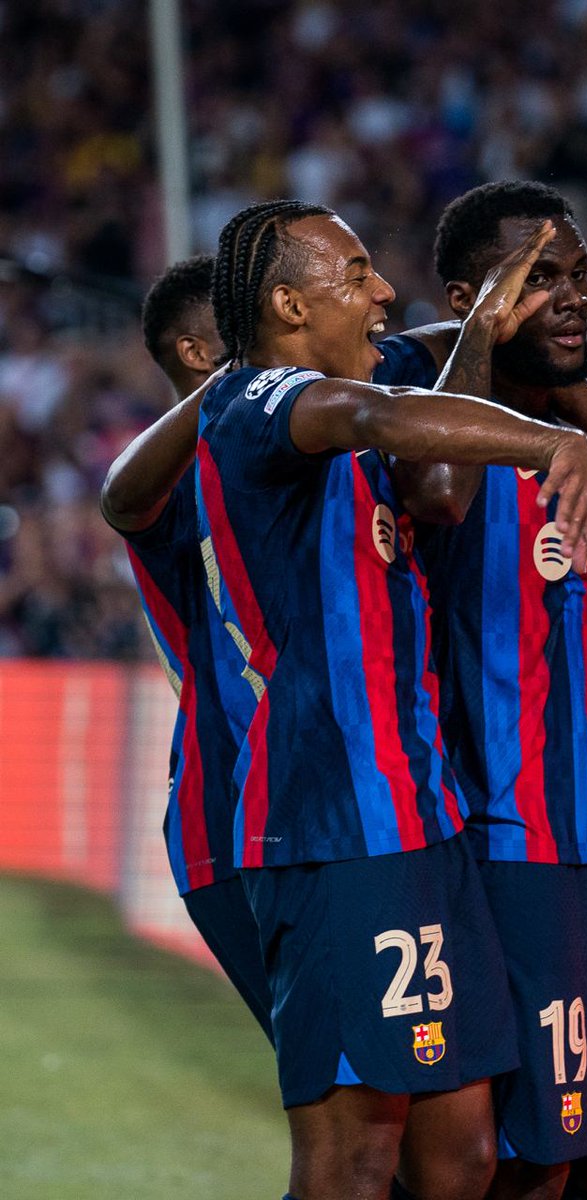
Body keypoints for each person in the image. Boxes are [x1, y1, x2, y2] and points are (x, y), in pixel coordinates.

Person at [196, 198, 587, 1200]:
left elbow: (437, 483)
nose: (382, 290)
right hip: (331, 825)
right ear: (290, 305)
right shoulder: (256, 400)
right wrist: (548, 442)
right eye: (355, 275)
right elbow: (380, 417)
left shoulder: (368, 393)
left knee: (461, 1160)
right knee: (353, 1161)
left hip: (426, 819)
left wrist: (492, 337)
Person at [390, 181, 587, 1200]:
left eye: (580, 275)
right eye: (540, 277)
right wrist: (484, 328)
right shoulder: (427, 416)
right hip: (497, 839)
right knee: (532, 1165)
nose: (573, 295)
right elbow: (436, 493)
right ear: (470, 298)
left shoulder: (563, 434)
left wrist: (554, 376)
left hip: (584, 840)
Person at [100, 256, 273, 1045]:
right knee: (347, 1091)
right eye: (253, 320)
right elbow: (121, 495)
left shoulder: (285, 445)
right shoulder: (167, 477)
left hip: (334, 800)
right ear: (200, 353)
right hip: (230, 808)